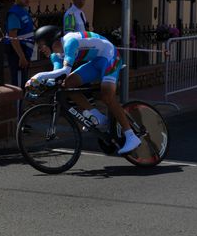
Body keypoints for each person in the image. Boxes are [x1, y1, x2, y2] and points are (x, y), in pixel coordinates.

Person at [25, 25, 141, 155]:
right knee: (66, 84)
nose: (40, 50)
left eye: (41, 45)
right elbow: (58, 76)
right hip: (96, 62)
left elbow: (65, 70)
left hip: (110, 57)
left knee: (107, 96)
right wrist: (38, 85)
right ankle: (98, 117)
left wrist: (38, 76)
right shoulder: (55, 55)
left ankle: (131, 135)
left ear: (51, 41)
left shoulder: (70, 42)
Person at [3, 0, 35, 89]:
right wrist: (21, 57)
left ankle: (20, 106)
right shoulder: (14, 13)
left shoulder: (23, 10)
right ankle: (17, 107)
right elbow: (13, 37)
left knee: (23, 85)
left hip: (24, 53)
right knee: (19, 87)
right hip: (18, 54)